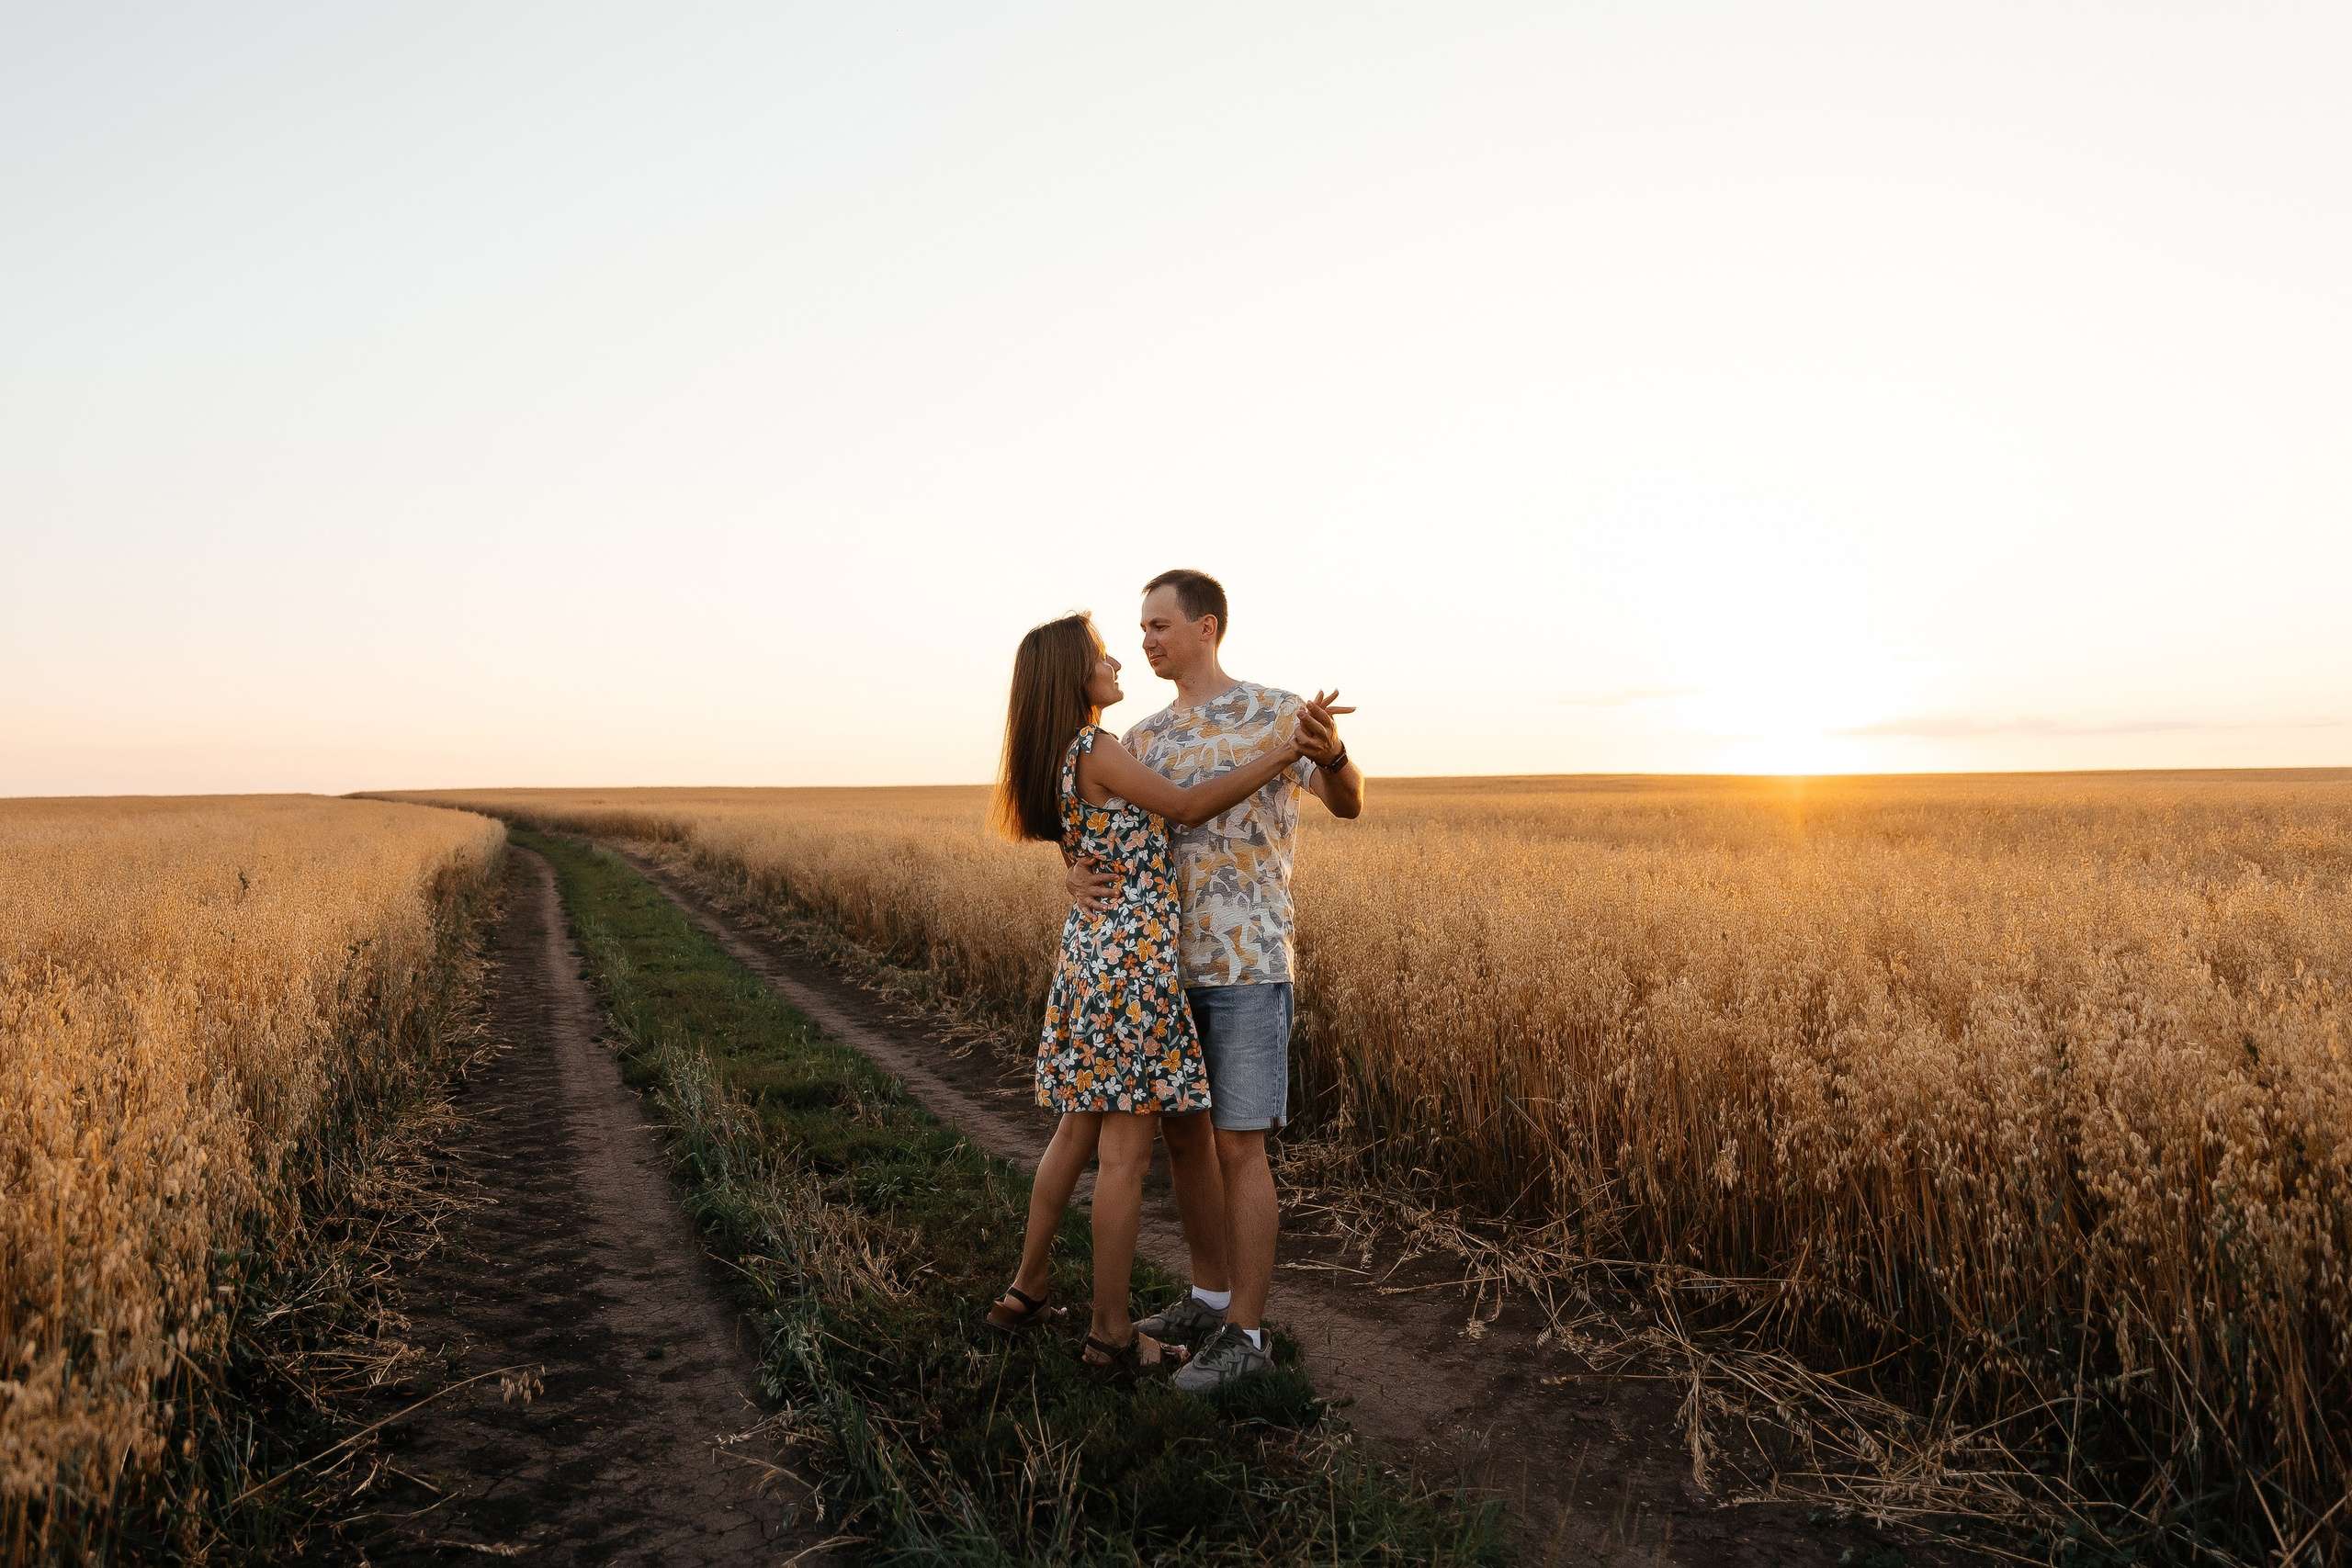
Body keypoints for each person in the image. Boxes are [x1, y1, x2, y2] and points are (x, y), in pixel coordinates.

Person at [984, 610, 1314, 1375]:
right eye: (1104, 653)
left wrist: (1075, 871)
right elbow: (1190, 807)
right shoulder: (1100, 746)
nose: (1119, 662)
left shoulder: (1056, 756)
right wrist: (1284, 751)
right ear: (1074, 674)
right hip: (1132, 966)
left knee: (1076, 1131)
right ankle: (1111, 1333)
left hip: (1089, 957)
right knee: (1125, 1154)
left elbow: (1086, 844)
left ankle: (1024, 1290)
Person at [1068, 569, 1363, 1393]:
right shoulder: (1142, 737)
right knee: (1186, 1138)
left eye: (1160, 625)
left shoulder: (1275, 710)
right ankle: (1205, 1296)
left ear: (1207, 626)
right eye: (1141, 628)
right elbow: (1109, 830)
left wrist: (1332, 751)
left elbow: (1348, 802)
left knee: (1241, 1142)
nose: (1147, 640)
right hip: (1162, 967)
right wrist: (1074, 875)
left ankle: (1246, 1334)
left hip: (1248, 960)